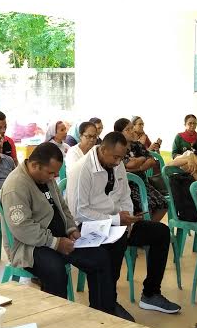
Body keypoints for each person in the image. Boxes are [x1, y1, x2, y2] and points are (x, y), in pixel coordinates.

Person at [67, 131, 181, 317]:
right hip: (87, 227)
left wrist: (127, 221)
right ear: (103, 150)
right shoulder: (81, 170)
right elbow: (79, 212)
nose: (119, 162)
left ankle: (151, 294)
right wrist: (116, 220)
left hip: (117, 222)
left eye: (121, 157)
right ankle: (107, 303)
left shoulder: (116, 163)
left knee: (160, 232)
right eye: (116, 157)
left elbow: (125, 195)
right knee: (115, 242)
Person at [0, 143, 116, 315]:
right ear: (34, 165)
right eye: (50, 173)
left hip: (59, 239)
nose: (54, 177)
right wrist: (55, 243)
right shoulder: (16, 186)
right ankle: (57, 320)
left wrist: (71, 228)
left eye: (55, 173)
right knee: (55, 270)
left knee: (100, 257)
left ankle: (103, 313)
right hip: (30, 246)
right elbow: (22, 228)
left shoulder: (46, 178)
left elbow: (62, 206)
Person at [116, 118, 168, 222]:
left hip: (144, 183)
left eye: (132, 128)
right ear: (119, 133)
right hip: (128, 186)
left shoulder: (137, 145)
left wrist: (139, 165)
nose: (132, 131)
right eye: (128, 129)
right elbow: (130, 163)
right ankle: (142, 229)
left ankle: (149, 229)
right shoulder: (118, 148)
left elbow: (152, 161)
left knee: (164, 204)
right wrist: (142, 160)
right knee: (146, 207)